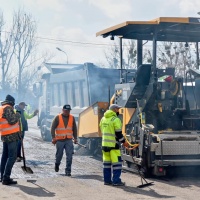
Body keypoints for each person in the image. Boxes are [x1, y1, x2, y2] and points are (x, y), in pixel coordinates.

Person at [99, 104, 129, 186]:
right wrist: (124, 142)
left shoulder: (103, 119)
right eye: (117, 109)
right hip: (113, 145)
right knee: (117, 164)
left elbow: (102, 130)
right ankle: (116, 181)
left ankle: (107, 181)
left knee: (107, 164)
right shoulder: (115, 120)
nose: (118, 111)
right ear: (114, 110)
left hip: (104, 145)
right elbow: (118, 134)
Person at [51, 104, 78, 176]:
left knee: (69, 156)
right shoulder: (57, 117)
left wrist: (75, 138)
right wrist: (53, 137)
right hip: (59, 140)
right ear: (63, 110)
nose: (67, 112)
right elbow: (52, 128)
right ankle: (57, 164)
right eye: (66, 110)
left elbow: (74, 129)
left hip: (68, 140)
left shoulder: (72, 118)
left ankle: (68, 171)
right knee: (59, 155)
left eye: (68, 111)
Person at [0, 94, 21, 185]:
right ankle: (6, 177)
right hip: (11, 136)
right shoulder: (8, 108)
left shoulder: (2, 108)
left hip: (5, 135)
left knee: (5, 156)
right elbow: (12, 121)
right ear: (12, 102)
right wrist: (18, 114)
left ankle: (2, 176)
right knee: (12, 157)